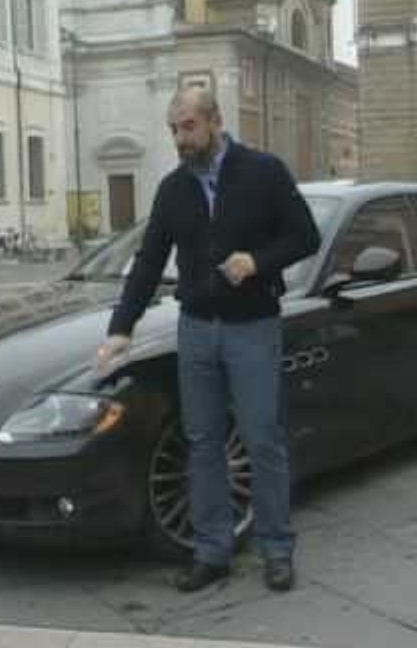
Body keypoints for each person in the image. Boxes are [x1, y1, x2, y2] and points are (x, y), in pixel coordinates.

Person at [95, 87, 320, 593]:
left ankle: (277, 550)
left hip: (253, 327)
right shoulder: (173, 189)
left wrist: (258, 262)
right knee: (203, 444)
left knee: (263, 440)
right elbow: (149, 263)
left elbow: (306, 236)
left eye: (189, 127)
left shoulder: (264, 172)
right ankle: (212, 551)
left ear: (215, 121)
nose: (180, 138)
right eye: (174, 129)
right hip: (195, 329)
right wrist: (120, 330)